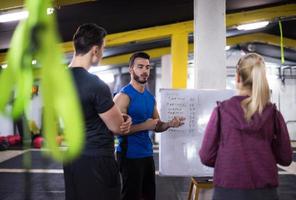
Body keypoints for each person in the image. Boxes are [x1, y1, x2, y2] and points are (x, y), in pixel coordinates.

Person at [199, 53, 292, 200]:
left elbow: (206, 156)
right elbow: (286, 157)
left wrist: (228, 160)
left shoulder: (222, 111)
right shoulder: (273, 114)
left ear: (237, 78)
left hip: (227, 189)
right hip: (265, 192)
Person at [63, 23, 132, 200]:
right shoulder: (95, 85)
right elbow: (118, 127)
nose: (102, 53)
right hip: (97, 160)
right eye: (103, 48)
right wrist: (125, 119)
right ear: (95, 50)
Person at [114, 52, 185, 200]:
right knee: (130, 196)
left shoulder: (150, 98)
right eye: (140, 67)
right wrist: (144, 126)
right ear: (131, 69)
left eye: (147, 67)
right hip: (129, 155)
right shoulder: (123, 97)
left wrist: (170, 123)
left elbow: (157, 125)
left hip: (147, 154)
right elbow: (118, 130)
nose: (145, 71)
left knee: (148, 196)